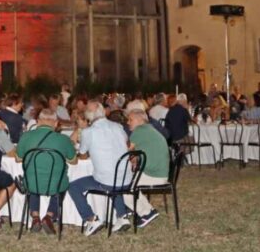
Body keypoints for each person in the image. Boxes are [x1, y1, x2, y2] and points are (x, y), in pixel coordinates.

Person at [67, 101, 133, 236]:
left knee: (73, 186)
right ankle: (122, 216)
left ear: (89, 116)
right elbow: (125, 144)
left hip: (108, 180)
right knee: (113, 175)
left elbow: (83, 155)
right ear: (103, 112)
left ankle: (91, 219)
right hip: (127, 178)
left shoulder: (89, 131)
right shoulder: (118, 126)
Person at [15, 108, 76, 235]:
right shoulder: (63, 139)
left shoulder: (26, 136)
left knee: (34, 181)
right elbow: (73, 161)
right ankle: (49, 216)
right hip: (55, 184)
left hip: (32, 184)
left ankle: (35, 217)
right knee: (60, 185)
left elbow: (18, 158)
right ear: (55, 123)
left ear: (37, 122)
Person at [124, 109, 167, 229]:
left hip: (153, 174)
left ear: (139, 120)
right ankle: (145, 211)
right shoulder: (149, 129)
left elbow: (125, 152)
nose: (128, 122)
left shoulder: (139, 131)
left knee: (124, 188)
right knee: (129, 184)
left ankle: (146, 213)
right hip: (161, 173)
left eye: (130, 119)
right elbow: (140, 152)